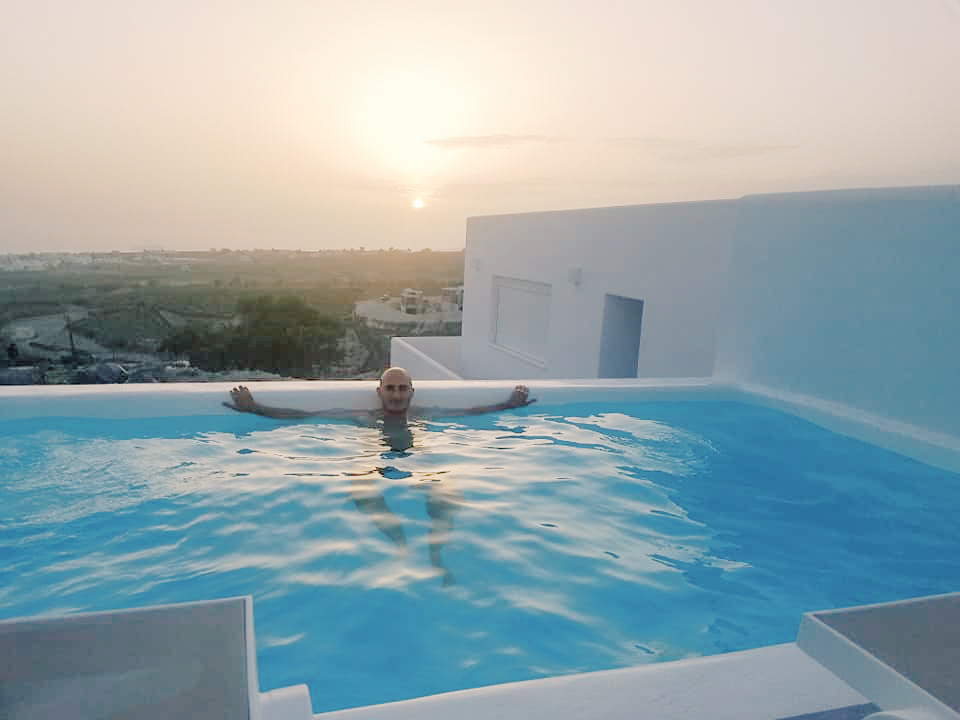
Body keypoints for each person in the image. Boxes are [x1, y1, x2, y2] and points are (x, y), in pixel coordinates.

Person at [224, 367, 536, 585]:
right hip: (375, 461)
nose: (397, 394)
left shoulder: (425, 415)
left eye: (402, 388)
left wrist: (508, 405)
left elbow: (472, 413)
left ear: (412, 392)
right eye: (391, 388)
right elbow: (304, 416)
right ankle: (400, 546)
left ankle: (435, 553)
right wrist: (256, 408)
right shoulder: (363, 418)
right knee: (360, 490)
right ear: (380, 391)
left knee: (448, 496)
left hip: (421, 464)